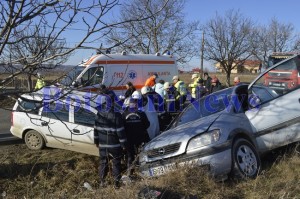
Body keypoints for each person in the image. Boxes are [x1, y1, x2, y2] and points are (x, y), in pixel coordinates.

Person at [94, 95, 127, 189]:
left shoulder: (98, 114)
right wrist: (123, 144)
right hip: (115, 145)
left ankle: (102, 182)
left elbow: (95, 129)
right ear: (112, 103)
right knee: (116, 163)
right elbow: (120, 131)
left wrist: (96, 141)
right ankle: (116, 183)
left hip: (103, 145)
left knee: (103, 162)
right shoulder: (117, 115)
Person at [122, 96, 150, 177]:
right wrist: (140, 130)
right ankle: (143, 173)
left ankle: (130, 173)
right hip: (140, 139)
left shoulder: (124, 114)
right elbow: (147, 124)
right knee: (140, 155)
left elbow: (122, 127)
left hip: (129, 139)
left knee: (130, 156)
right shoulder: (141, 113)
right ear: (136, 104)